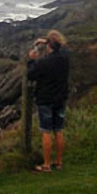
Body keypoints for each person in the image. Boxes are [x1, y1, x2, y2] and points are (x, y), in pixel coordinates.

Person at [27, 30, 69, 173]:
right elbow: (63, 48)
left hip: (46, 100)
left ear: (49, 46)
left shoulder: (43, 62)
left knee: (46, 131)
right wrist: (47, 40)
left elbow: (30, 75)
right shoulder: (65, 58)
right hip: (61, 98)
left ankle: (46, 165)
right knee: (58, 130)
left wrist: (32, 59)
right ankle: (58, 162)